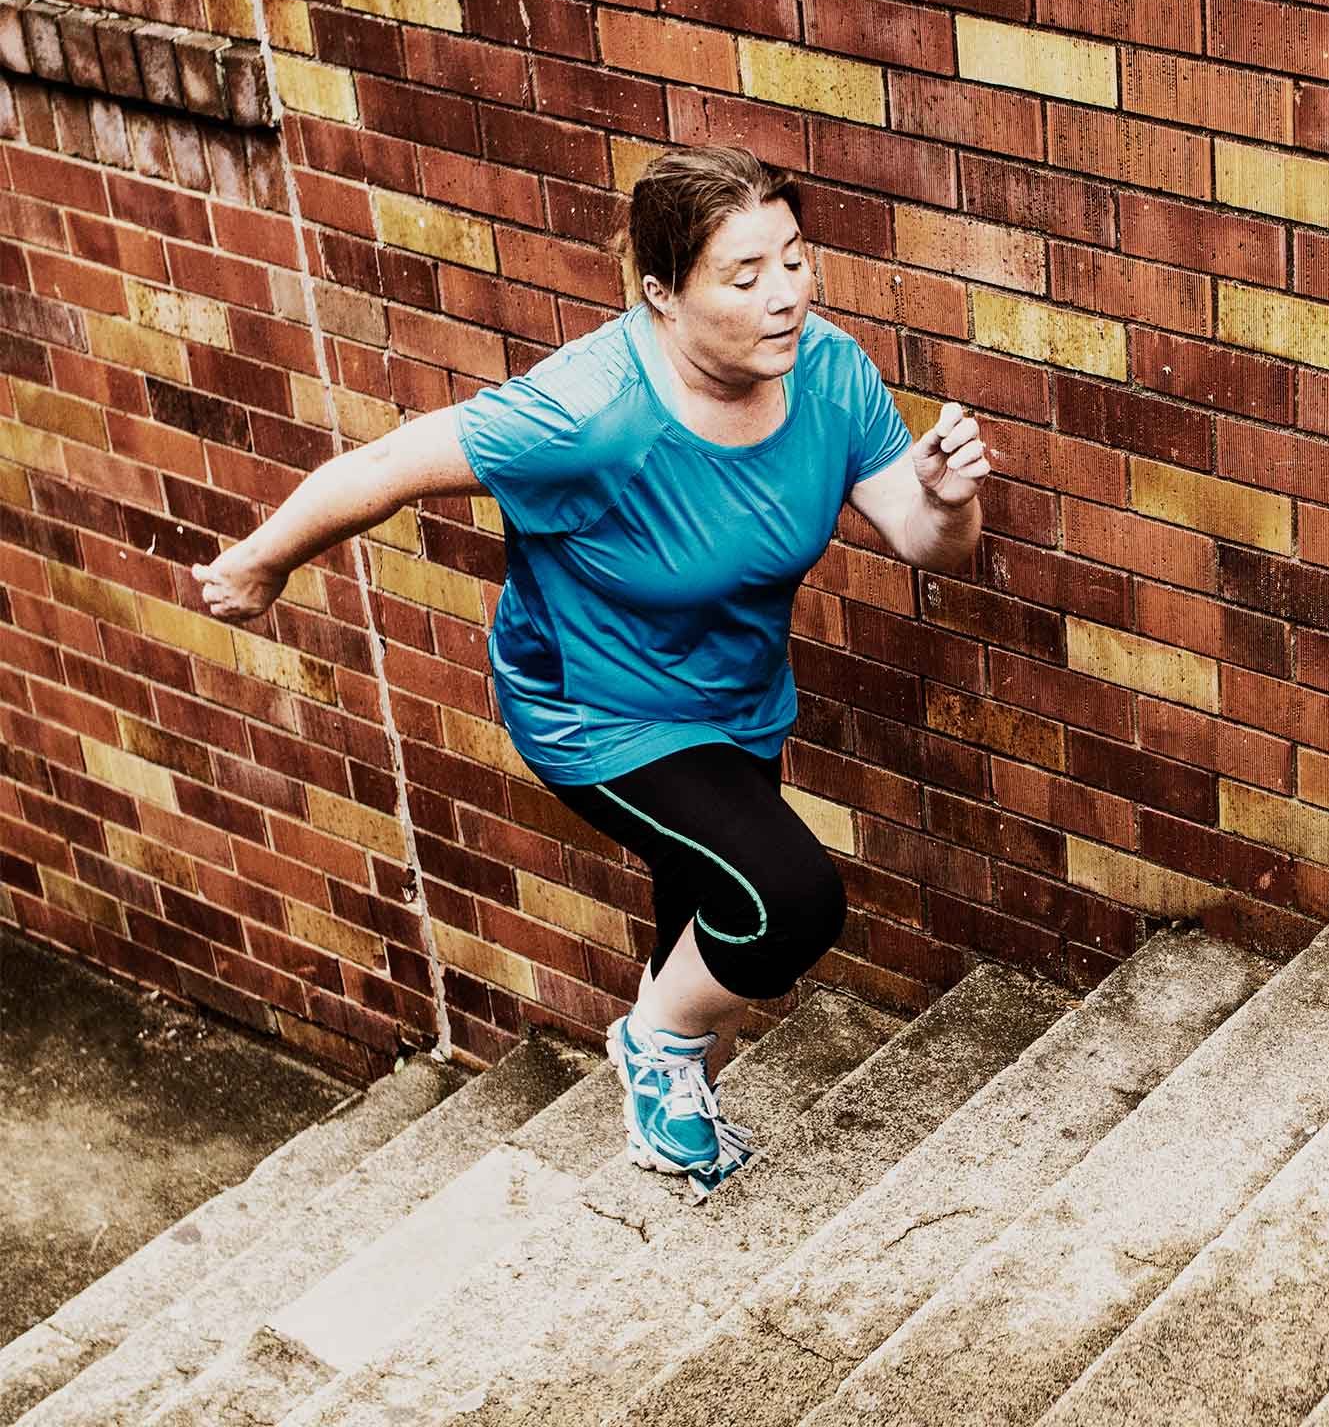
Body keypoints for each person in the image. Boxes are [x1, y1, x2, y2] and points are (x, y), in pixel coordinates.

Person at [192, 145, 991, 1196]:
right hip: (596, 713)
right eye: (745, 276)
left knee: (705, 932)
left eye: (796, 260)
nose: (787, 294)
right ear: (661, 293)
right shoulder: (587, 411)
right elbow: (387, 467)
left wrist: (947, 499)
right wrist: (260, 565)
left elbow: (927, 542)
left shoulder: (828, 373)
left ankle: (673, 1130)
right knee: (788, 902)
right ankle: (651, 1051)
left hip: (735, 704)